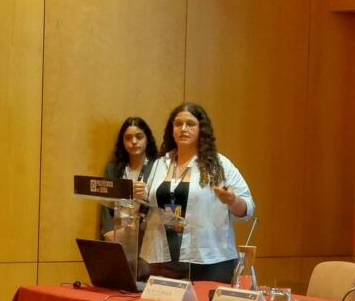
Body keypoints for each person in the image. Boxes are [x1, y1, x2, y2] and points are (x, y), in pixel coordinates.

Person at [137, 103, 255, 283]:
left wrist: (232, 200)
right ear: (172, 129)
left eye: (190, 124)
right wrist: (140, 195)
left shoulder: (218, 164)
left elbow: (248, 208)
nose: (183, 129)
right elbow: (153, 205)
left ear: (201, 129)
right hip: (163, 258)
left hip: (208, 257)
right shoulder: (160, 163)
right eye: (178, 124)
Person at [100, 117, 158, 242]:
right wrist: (108, 231)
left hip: (146, 235)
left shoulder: (158, 166)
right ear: (122, 141)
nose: (134, 141)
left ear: (147, 139)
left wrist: (146, 196)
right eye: (128, 138)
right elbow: (105, 203)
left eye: (139, 137)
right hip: (117, 232)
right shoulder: (113, 168)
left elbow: (162, 202)